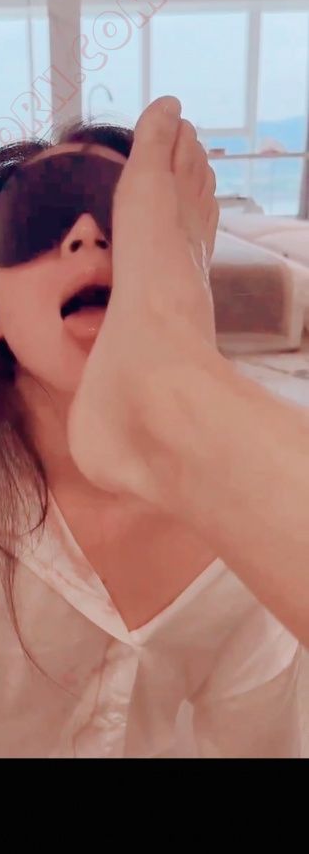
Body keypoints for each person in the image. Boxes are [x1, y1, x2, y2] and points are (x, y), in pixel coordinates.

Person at [0, 107, 301, 758]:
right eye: (37, 221)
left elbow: (260, 744)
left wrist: (202, 408)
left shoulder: (265, 483)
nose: (87, 235)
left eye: (126, 219)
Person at [68, 95, 309, 652]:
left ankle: (170, 375)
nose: (88, 235)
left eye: (114, 214)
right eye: (34, 218)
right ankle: (169, 381)